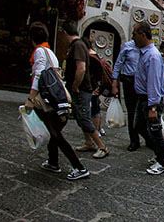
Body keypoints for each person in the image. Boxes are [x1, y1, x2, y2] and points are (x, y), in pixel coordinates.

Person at [24, 22, 89, 181]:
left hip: (49, 100)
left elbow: (39, 75)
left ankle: (79, 167)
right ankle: (53, 162)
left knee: (56, 134)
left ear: (32, 38)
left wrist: (31, 98)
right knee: (54, 133)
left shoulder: (40, 51)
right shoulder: (50, 52)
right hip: (57, 98)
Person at [59, 23, 108, 159]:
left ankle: (102, 147)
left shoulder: (78, 45)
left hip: (81, 89)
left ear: (65, 32)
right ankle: (89, 142)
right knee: (80, 117)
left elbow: (81, 68)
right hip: (79, 88)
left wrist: (75, 85)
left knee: (85, 118)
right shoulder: (77, 45)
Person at [131, 21, 164, 175]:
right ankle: (160, 153)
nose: (133, 38)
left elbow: (153, 81)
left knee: (155, 131)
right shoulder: (146, 53)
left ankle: (162, 163)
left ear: (142, 34)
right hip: (143, 98)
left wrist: (153, 106)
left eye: (134, 34)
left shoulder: (152, 56)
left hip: (149, 99)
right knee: (139, 126)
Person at [111, 38, 142, 151]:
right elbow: (118, 64)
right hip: (129, 81)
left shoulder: (147, 48)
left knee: (143, 111)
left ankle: (148, 138)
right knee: (131, 112)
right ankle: (134, 140)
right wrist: (114, 83)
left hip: (143, 81)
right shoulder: (128, 46)